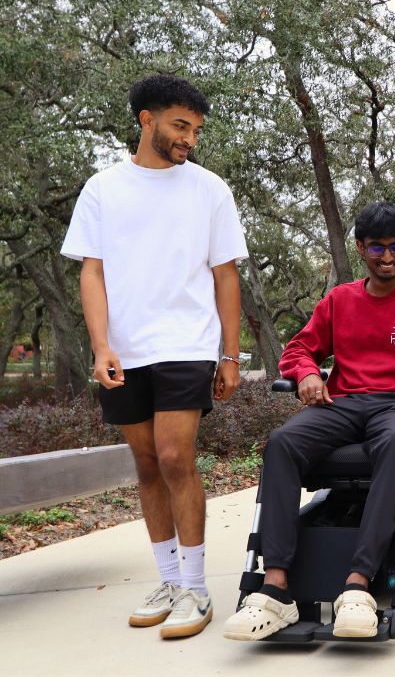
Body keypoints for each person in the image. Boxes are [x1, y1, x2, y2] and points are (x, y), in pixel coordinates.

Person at [223, 201, 395, 641]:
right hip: (344, 403)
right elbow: (297, 350)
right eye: (377, 248)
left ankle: (358, 588)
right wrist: (307, 374)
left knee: (393, 444)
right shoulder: (340, 300)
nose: (387, 257)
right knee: (281, 443)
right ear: (361, 248)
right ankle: (275, 590)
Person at [60, 74, 248, 639]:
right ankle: (167, 579)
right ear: (147, 120)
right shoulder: (102, 189)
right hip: (126, 347)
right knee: (145, 464)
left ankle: (195, 587)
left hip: (187, 343)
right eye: (180, 126)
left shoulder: (209, 189)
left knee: (173, 456)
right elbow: (91, 272)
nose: (190, 138)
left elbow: (226, 274)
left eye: (196, 129)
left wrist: (231, 355)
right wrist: (101, 346)